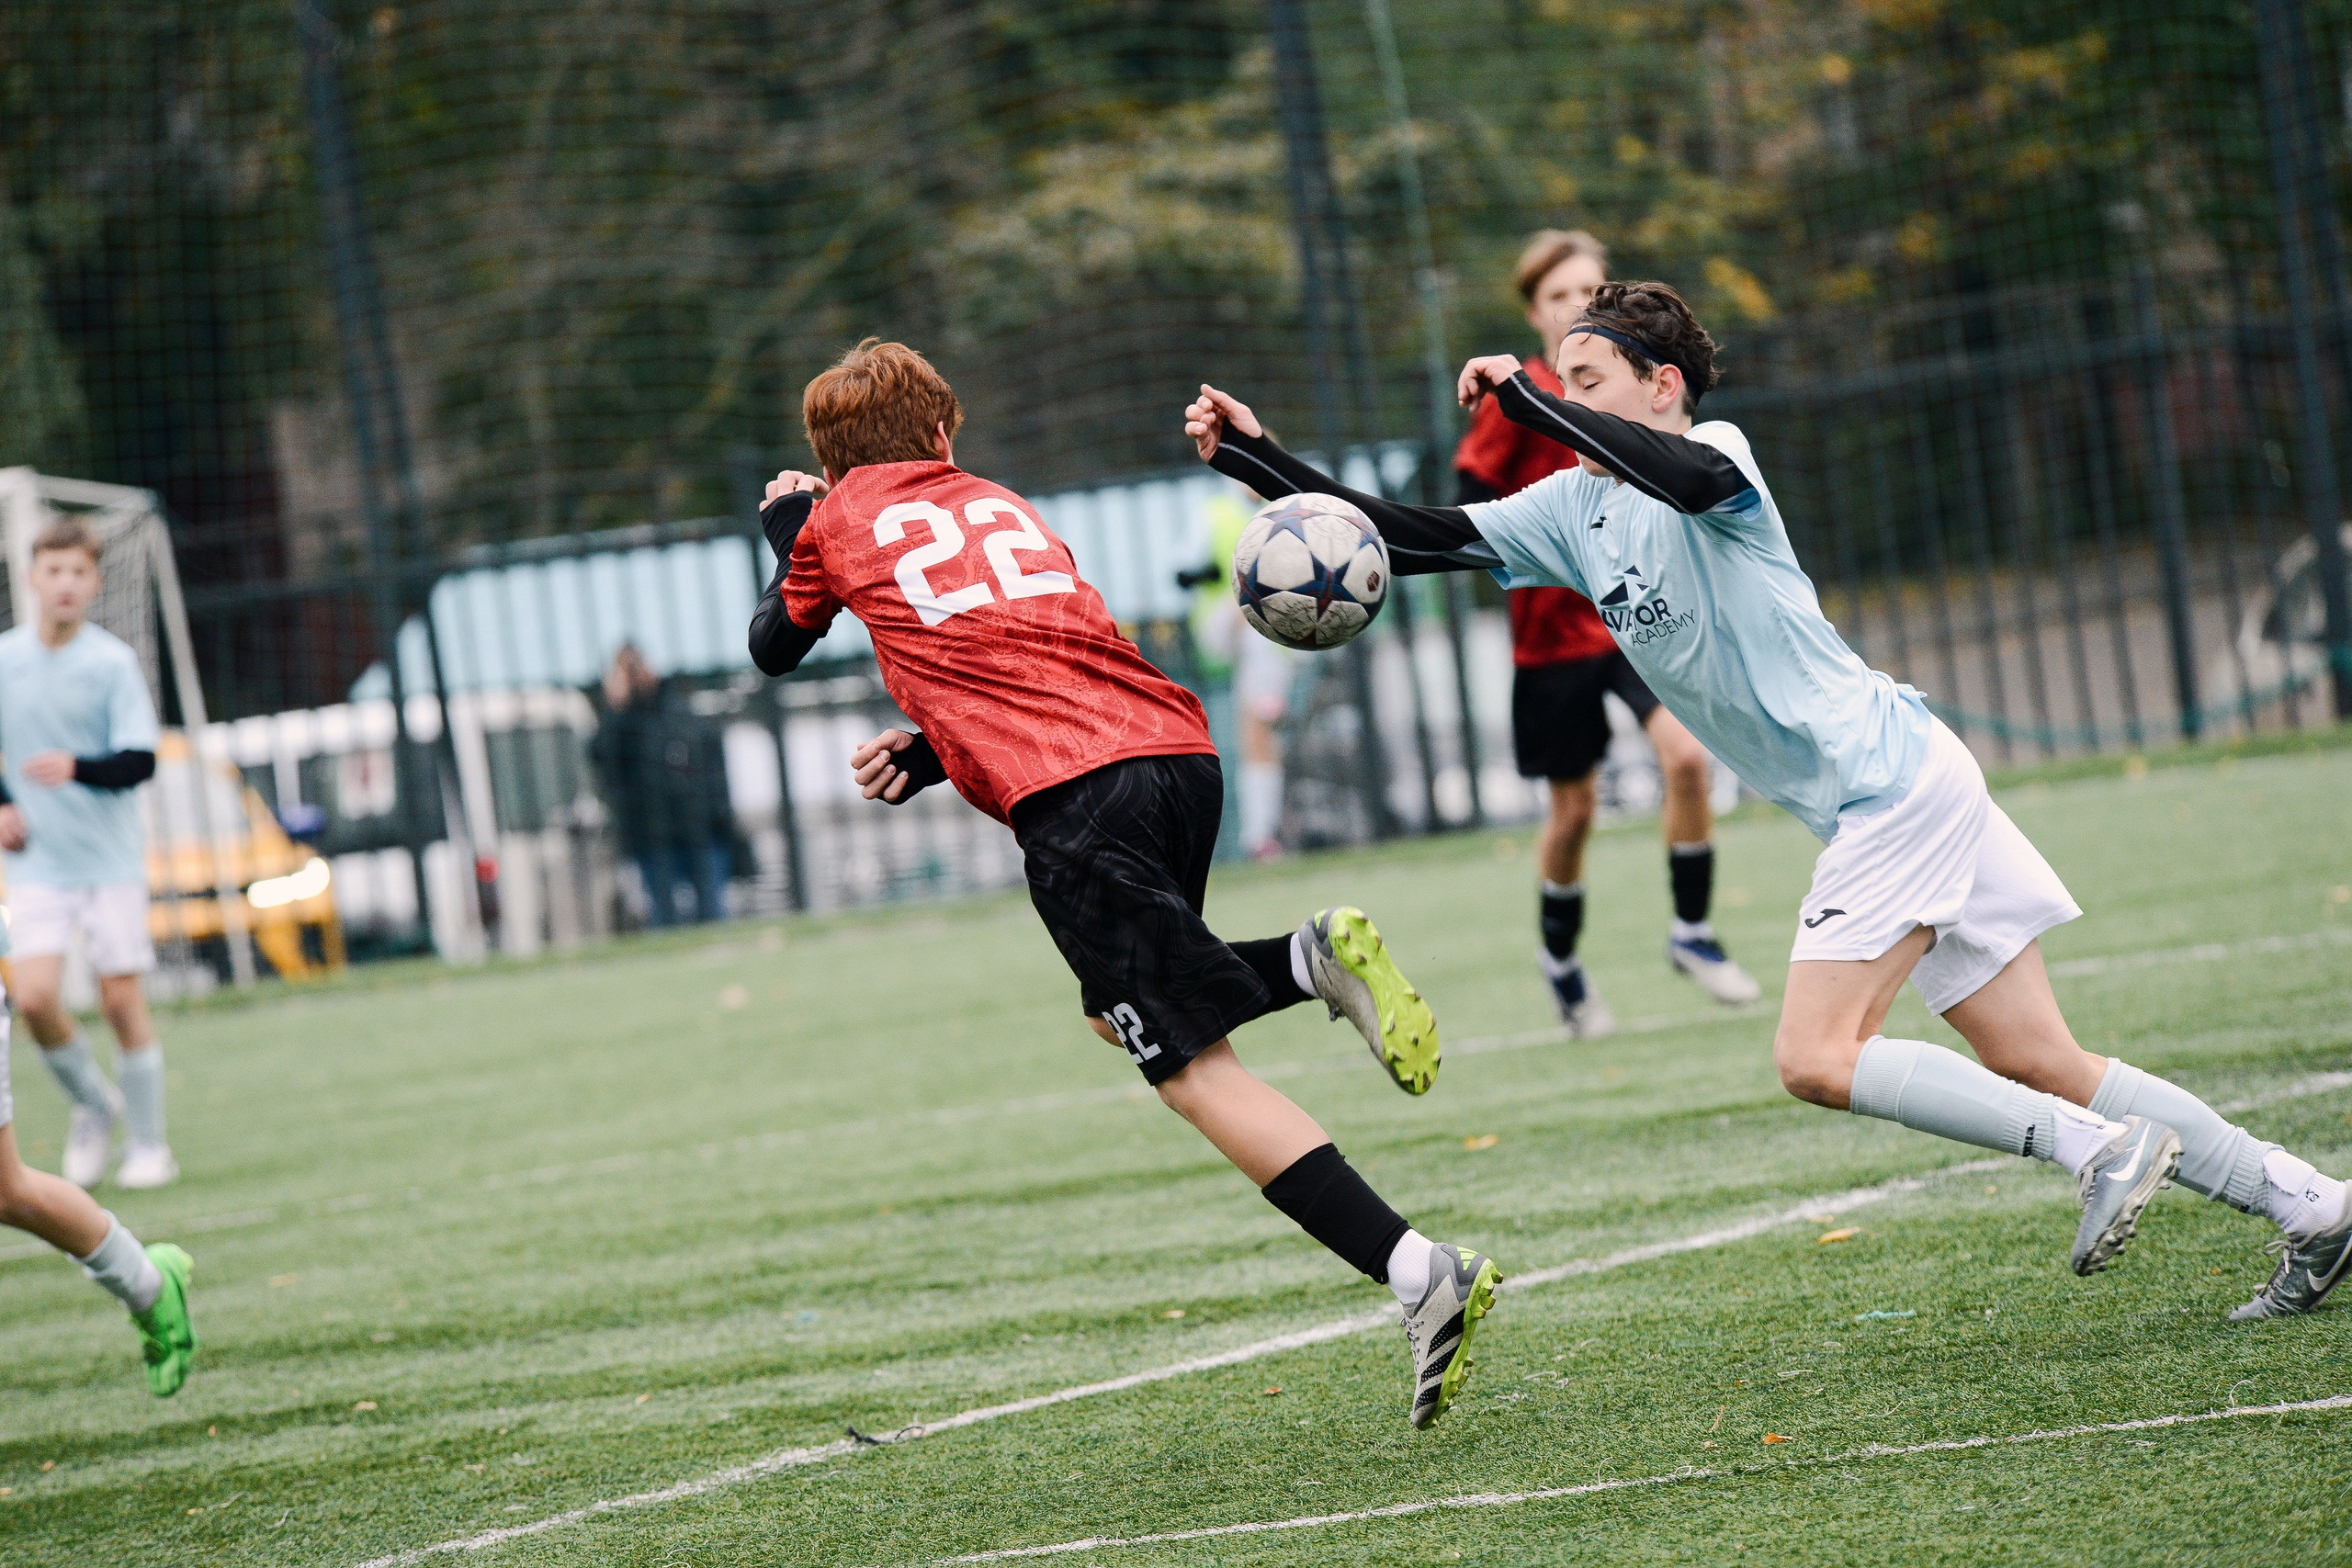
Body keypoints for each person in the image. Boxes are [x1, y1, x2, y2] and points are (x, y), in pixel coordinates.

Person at [1182, 282, 2349, 1311]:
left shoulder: (1717, 455)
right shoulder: (1569, 510)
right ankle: (2315, 1207)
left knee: (1813, 1057)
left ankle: (2097, 1154)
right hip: (1892, 790)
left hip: (1889, 789)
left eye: (1588, 380)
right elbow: (1403, 536)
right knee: (2043, 1055)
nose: (1563, 397)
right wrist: (1253, 458)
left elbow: (1679, 475)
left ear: (1660, 386)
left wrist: (1531, 402)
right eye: (1559, 384)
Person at [749, 339, 1501, 1426]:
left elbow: (776, 644)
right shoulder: (999, 501)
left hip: (1074, 802)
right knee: (1123, 1015)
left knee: (1189, 1071)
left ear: (829, 462)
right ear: (945, 433)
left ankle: (1413, 1268)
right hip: (1176, 759)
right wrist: (929, 748)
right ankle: (1302, 968)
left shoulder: (829, 523)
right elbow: (1021, 649)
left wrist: (785, 534)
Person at [1455, 230, 1758, 1034]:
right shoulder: (1519, 397)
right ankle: (1561, 961)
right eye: (1558, 298)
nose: (1574, 308)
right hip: (1551, 640)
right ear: (1534, 313)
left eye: (1590, 291)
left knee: (1687, 759)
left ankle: (1693, 933)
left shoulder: (1615, 392)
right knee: (1575, 812)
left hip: (1629, 622)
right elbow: (1463, 498)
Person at [0, 518, 176, 1190]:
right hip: (38, 862)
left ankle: (150, 1145)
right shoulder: (6, 659)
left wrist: (76, 766)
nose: (66, 584)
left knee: (119, 997)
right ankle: (95, 1105)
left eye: (79, 572)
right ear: (33, 579)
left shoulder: (111, 662)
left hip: (109, 861)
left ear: (96, 582)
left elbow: (140, 760)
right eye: (55, 571)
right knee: (36, 997)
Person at [1179, 486, 1296, 858]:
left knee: (1259, 740)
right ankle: (1268, 696)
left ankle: (1260, 837)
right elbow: (1181, 568)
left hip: (1271, 643)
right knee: (1254, 607)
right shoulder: (1214, 512)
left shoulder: (1289, 513)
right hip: (1221, 625)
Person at [591, 644, 733, 927]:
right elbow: (604, 763)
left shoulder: (676, 709)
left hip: (699, 828)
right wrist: (614, 706)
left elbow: (707, 759)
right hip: (651, 834)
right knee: (663, 917)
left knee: (712, 913)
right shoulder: (620, 723)